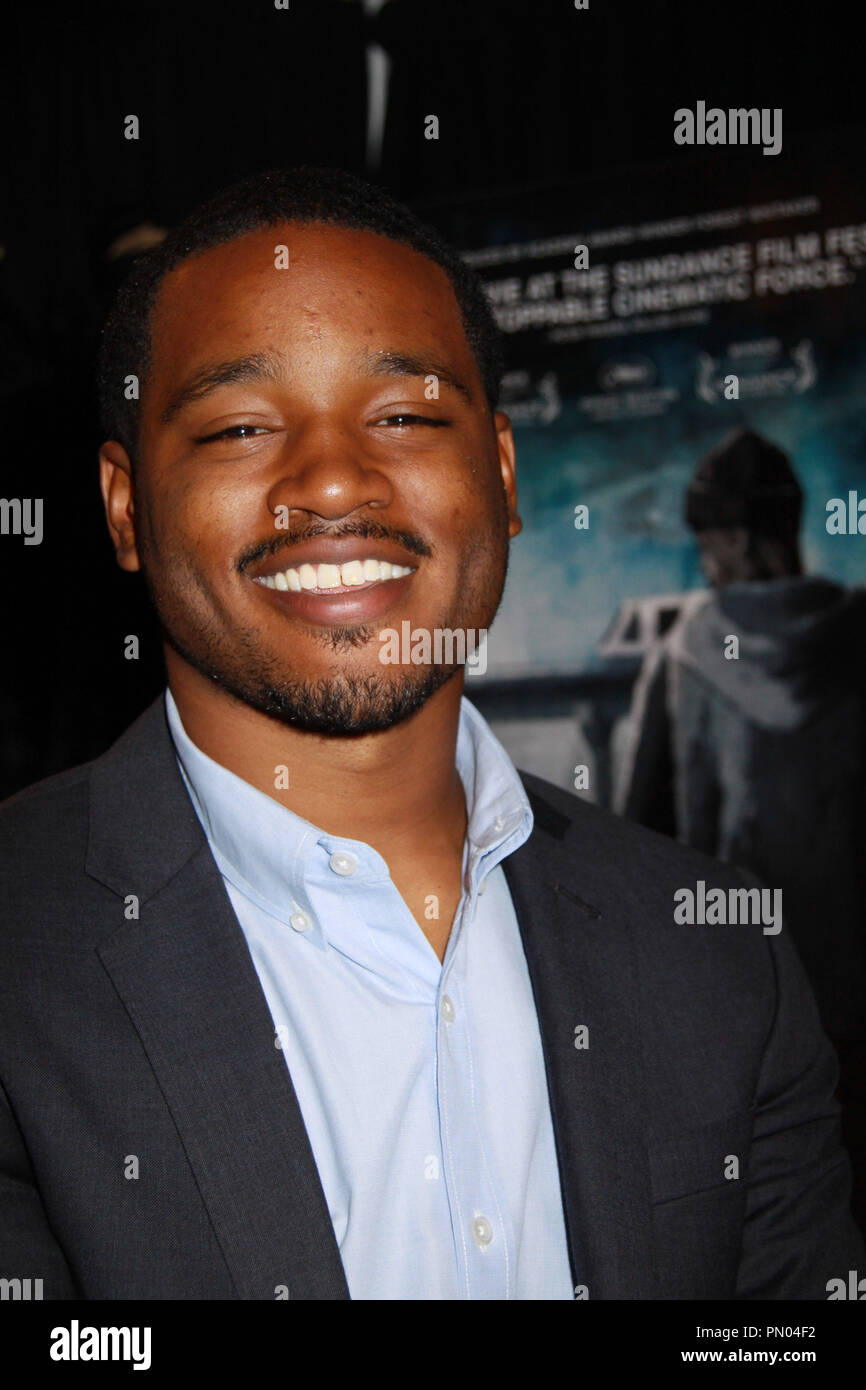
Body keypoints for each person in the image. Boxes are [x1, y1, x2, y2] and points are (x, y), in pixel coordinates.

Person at [0, 175, 862, 1301]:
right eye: (240, 426)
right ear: (124, 508)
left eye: (403, 414)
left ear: (499, 474)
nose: (332, 479)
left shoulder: (719, 959)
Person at [616, 426, 866, 1230]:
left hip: (743, 1014)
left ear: (725, 539)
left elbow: (635, 846)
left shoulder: (685, 654)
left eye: (707, 540)